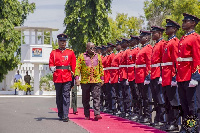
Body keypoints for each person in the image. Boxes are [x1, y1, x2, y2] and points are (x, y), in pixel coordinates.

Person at [176, 13, 200, 133]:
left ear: (193, 23)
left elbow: (197, 58)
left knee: (192, 107)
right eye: (183, 21)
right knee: (184, 105)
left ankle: (193, 129)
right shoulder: (183, 38)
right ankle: (186, 128)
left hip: (190, 77)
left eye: (186, 21)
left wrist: (196, 76)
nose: (183, 23)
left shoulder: (195, 37)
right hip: (182, 77)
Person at [49, 33, 76, 122]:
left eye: (64, 41)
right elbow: (51, 63)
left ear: (66, 42)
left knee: (66, 95)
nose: (62, 43)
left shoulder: (70, 52)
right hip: (57, 77)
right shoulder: (54, 52)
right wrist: (52, 67)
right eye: (61, 41)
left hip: (67, 77)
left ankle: (65, 115)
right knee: (59, 96)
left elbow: (73, 65)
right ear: (58, 42)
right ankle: (60, 113)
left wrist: (75, 77)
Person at [75, 42, 104, 121]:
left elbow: (101, 68)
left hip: (96, 80)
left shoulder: (98, 56)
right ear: (87, 48)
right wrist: (77, 78)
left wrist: (102, 79)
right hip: (85, 81)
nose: (92, 49)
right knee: (85, 99)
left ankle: (97, 113)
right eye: (91, 48)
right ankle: (87, 114)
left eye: (94, 48)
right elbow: (77, 68)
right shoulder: (81, 56)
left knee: (96, 96)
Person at [160, 19, 180, 131]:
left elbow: (176, 60)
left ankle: (175, 123)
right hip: (165, 76)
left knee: (174, 101)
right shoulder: (167, 43)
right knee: (167, 101)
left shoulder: (175, 42)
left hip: (171, 76)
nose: (166, 29)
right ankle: (169, 121)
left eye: (169, 27)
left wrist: (175, 76)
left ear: (174, 29)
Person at [135, 30, 152, 123]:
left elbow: (149, 63)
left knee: (147, 98)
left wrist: (148, 76)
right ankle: (143, 114)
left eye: (141, 37)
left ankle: (148, 116)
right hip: (139, 76)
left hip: (144, 76)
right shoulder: (142, 48)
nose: (140, 38)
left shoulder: (148, 48)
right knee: (141, 97)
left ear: (146, 38)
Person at [150, 26, 165, 127]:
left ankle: (162, 119)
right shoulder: (156, 45)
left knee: (161, 99)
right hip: (153, 74)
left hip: (159, 74)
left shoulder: (163, 44)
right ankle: (158, 118)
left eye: (154, 33)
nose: (152, 35)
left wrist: (161, 75)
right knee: (156, 99)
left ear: (159, 33)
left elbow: (164, 61)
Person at [127, 35, 140, 120]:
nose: (130, 42)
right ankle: (135, 111)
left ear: (136, 41)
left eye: (132, 41)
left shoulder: (137, 50)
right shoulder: (131, 51)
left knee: (137, 95)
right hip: (131, 76)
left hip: (135, 76)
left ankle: (137, 112)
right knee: (134, 96)